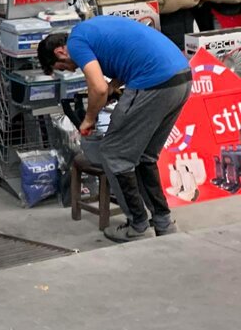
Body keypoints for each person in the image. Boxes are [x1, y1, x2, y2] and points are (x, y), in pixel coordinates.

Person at [37, 16, 192, 243]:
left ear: (60, 52)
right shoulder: (91, 29)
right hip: (182, 78)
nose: (70, 70)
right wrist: (114, 86)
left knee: (113, 154)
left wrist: (89, 119)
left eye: (62, 67)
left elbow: (97, 88)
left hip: (153, 82)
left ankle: (137, 225)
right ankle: (163, 222)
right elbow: (130, 56)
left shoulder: (76, 43)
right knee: (145, 156)